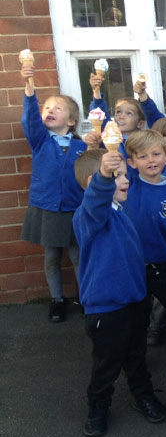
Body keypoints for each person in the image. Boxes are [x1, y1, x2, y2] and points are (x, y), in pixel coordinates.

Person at [72, 148, 166, 437]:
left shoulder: (121, 212)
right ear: (95, 183)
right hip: (105, 308)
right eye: (119, 176)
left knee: (136, 355)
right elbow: (94, 202)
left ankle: (143, 396)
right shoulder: (88, 216)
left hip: (135, 301)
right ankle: (98, 407)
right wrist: (105, 174)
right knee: (107, 362)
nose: (126, 181)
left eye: (126, 175)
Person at [19, 63, 86, 322]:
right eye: (47, 107)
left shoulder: (81, 147)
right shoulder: (40, 141)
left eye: (57, 108)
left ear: (70, 121)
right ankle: (57, 299)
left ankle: (85, 297)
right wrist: (29, 87)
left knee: (77, 255)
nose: (50, 111)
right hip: (48, 207)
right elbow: (31, 120)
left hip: (74, 207)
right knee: (51, 257)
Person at [123, 130, 166, 347]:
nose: (151, 161)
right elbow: (115, 151)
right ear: (131, 162)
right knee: (136, 319)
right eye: (143, 156)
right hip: (135, 266)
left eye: (156, 154)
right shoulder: (129, 184)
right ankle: (137, 364)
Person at [84, 74, 146, 159]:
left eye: (128, 113)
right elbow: (100, 113)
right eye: (118, 112)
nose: (121, 116)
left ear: (140, 123)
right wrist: (96, 90)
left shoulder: (145, 141)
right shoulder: (108, 136)